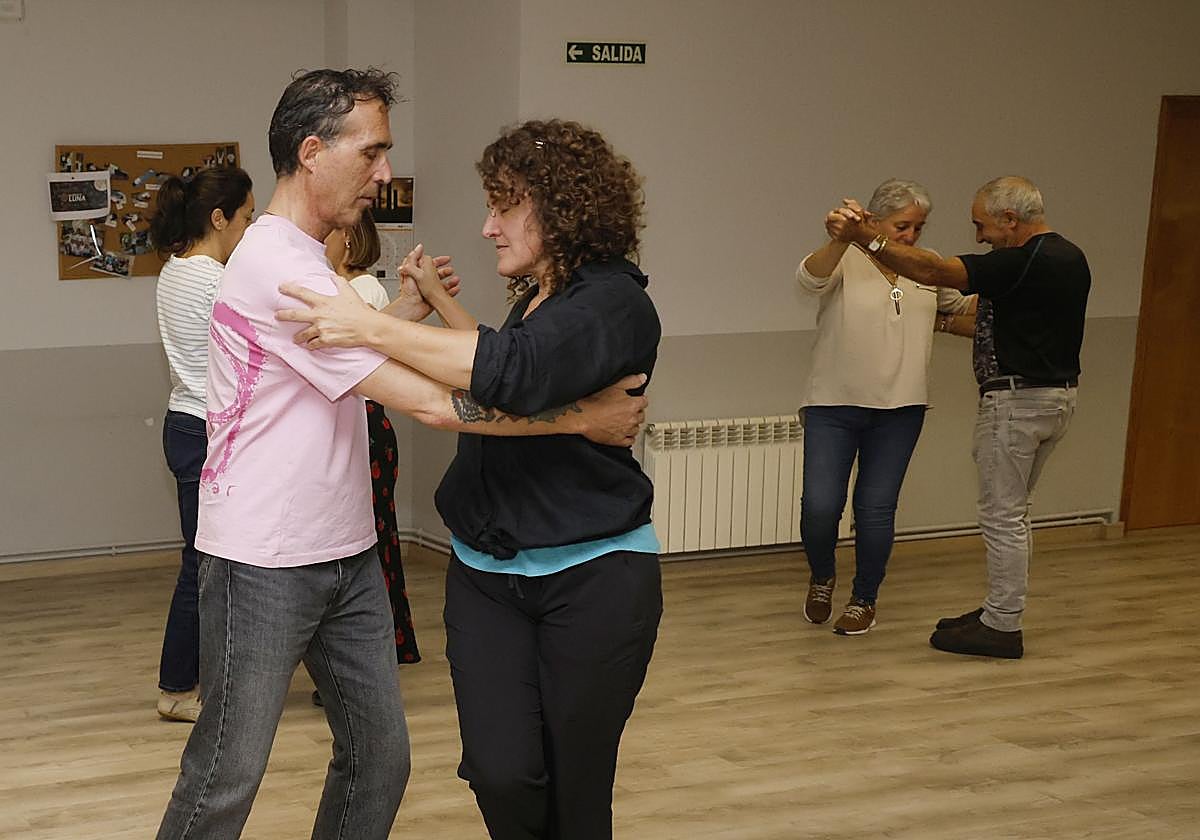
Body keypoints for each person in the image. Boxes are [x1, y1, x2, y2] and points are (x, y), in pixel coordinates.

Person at [156, 71, 647, 840]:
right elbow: (427, 402)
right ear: (313, 152)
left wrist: (409, 316)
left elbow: (403, 370)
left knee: (380, 760)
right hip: (263, 555)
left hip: (345, 551)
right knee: (226, 774)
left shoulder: (312, 262)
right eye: (373, 152)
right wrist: (580, 419)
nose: (385, 173)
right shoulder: (276, 267)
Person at [277, 118, 662, 840]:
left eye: (503, 205)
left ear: (561, 207)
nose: (488, 227)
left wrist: (367, 324)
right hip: (487, 575)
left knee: (575, 783)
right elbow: (501, 368)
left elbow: (511, 372)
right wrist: (578, 415)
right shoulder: (541, 298)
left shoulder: (611, 301)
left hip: (594, 575)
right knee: (499, 770)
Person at [826, 175, 1090, 658]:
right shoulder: (1069, 257)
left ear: (1011, 220)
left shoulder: (1022, 260)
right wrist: (941, 321)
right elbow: (993, 320)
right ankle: (997, 610)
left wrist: (866, 235)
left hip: (1017, 404)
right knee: (1014, 513)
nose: (980, 237)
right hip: (1055, 400)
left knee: (1003, 517)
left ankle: (1003, 626)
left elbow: (933, 272)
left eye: (983, 226)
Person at [796, 179, 976, 635]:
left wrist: (948, 322)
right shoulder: (845, 257)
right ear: (874, 221)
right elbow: (809, 279)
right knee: (820, 507)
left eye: (918, 228)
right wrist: (841, 237)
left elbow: (971, 313)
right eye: (902, 226)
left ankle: (864, 599)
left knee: (876, 508)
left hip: (901, 409)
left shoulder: (927, 266)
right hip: (832, 405)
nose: (911, 237)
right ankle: (822, 577)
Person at [148, 165, 254, 723]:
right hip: (205, 432)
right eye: (247, 217)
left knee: (205, 563)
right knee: (204, 567)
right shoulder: (213, 279)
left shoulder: (175, 270)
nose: (251, 227)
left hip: (187, 426)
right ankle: (177, 690)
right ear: (219, 218)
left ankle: (193, 683)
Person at [310, 211, 420, 710]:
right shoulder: (341, 289)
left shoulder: (362, 293)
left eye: (329, 233)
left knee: (373, 539)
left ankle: (379, 648)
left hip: (369, 426)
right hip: (356, 423)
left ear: (350, 239)